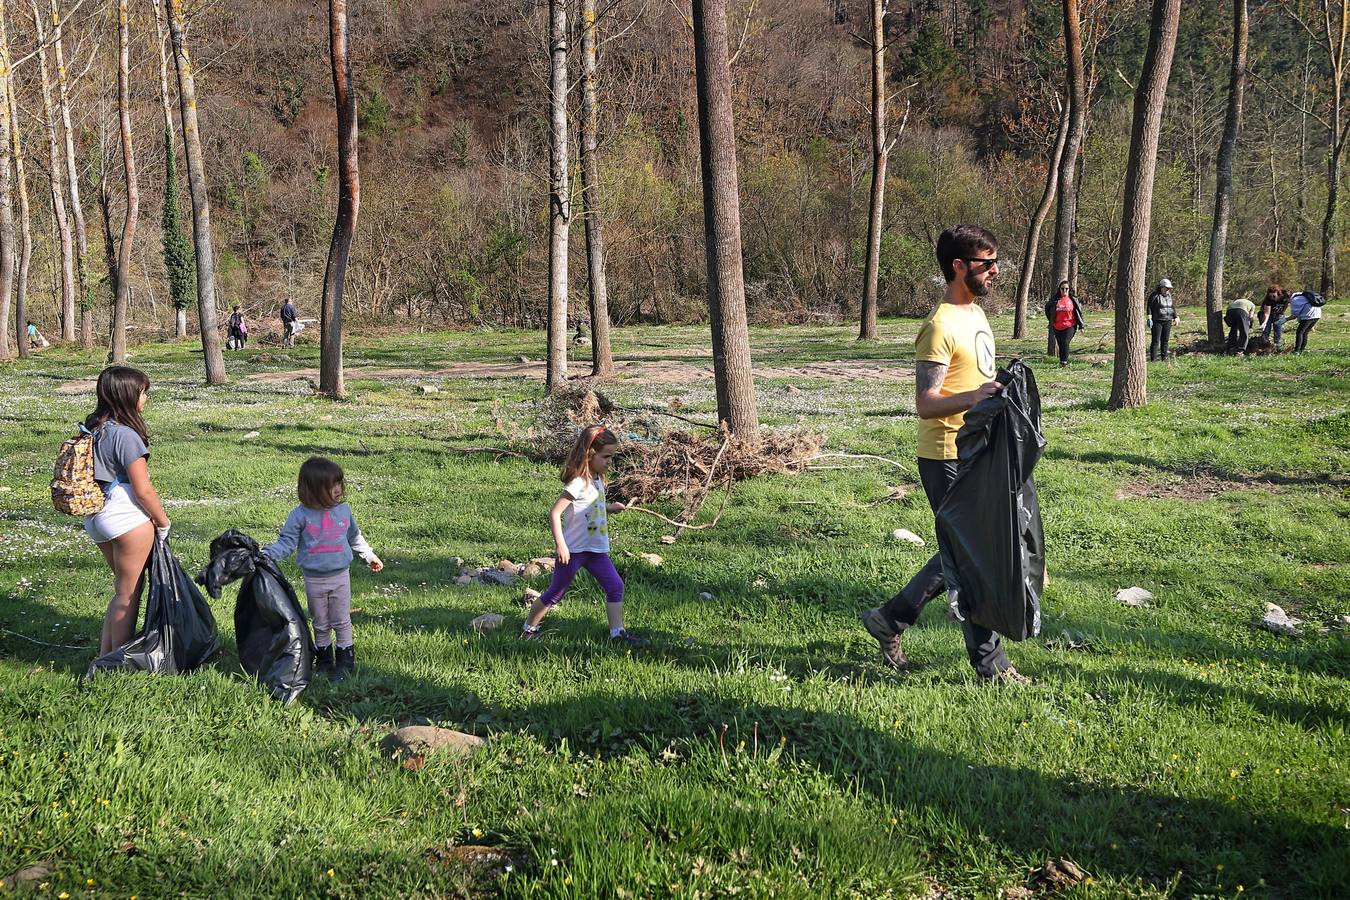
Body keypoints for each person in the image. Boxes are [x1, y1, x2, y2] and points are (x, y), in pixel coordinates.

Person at [860, 224, 1026, 684]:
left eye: (996, 262)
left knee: (966, 553)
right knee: (975, 558)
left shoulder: (975, 315)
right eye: (986, 263)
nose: (995, 271)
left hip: (978, 452)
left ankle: (890, 619)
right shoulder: (939, 326)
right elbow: (926, 403)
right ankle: (992, 667)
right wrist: (977, 395)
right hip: (946, 456)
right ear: (959, 267)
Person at [521, 425, 647, 646]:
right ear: (590, 454)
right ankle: (528, 629)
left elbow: (591, 506)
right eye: (606, 456)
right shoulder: (578, 483)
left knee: (615, 586)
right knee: (556, 592)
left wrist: (609, 507)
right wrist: (561, 545)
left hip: (596, 550)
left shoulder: (598, 479)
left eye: (612, 457)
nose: (610, 461)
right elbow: (555, 512)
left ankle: (617, 633)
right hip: (574, 551)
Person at [264, 457, 383, 682]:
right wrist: (266, 554)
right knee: (320, 621)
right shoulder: (299, 516)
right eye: (332, 486)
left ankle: (346, 659)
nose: (338, 489)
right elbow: (286, 543)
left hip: (340, 577)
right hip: (314, 580)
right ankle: (325, 659)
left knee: (341, 620)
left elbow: (355, 537)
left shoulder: (344, 511)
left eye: (339, 483)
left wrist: (369, 556)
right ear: (313, 490)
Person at [81, 366, 172, 656]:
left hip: (96, 516)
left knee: (122, 590)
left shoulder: (93, 428)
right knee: (130, 592)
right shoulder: (126, 436)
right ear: (127, 395)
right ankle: (117, 661)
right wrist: (162, 521)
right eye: (143, 392)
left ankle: (105, 655)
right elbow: (143, 490)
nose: (145, 399)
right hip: (125, 518)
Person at [1043, 280, 1086, 367]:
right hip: (1057, 326)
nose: (1064, 291)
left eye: (1066, 289)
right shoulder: (1055, 300)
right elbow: (1047, 309)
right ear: (1059, 289)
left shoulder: (1073, 300)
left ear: (1069, 289)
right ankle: (1062, 362)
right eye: (1062, 289)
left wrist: (1081, 325)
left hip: (1070, 325)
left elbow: (1079, 312)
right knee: (1060, 344)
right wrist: (1051, 321)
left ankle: (1064, 362)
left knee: (1065, 342)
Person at [1147, 278, 1180, 361]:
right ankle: (1153, 359)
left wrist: (1175, 316)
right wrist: (1149, 318)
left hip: (1168, 320)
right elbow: (1149, 307)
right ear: (1161, 287)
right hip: (1157, 320)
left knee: (1165, 340)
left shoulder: (1169, 296)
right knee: (1156, 341)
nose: (1168, 290)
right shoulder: (1154, 295)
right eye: (1166, 288)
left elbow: (1172, 307)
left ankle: (1164, 358)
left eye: (1169, 288)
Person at [1288, 288, 1324, 353]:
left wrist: (1284, 320)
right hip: (1317, 315)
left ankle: (1296, 351)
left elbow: (1294, 315)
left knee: (1300, 332)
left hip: (1308, 316)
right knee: (1305, 332)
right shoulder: (1300, 294)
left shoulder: (1294, 300)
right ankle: (1301, 350)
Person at [1258, 285, 1289, 351]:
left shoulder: (1285, 296)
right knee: (1266, 329)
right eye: (1270, 296)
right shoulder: (1268, 299)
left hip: (1279, 314)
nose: (1272, 298)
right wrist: (1264, 323)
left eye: (1274, 296)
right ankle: (1265, 346)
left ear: (1278, 294)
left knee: (1277, 325)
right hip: (1266, 314)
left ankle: (1277, 346)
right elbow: (1267, 313)